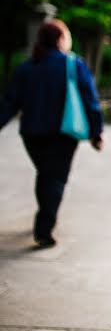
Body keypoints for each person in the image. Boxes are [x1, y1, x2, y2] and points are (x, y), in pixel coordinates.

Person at [0, 19, 104, 248]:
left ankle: (44, 218)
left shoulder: (26, 67)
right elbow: (90, 100)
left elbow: (9, 102)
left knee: (46, 175)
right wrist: (96, 133)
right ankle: (44, 229)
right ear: (60, 39)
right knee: (55, 178)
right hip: (63, 134)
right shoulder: (73, 64)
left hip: (32, 134)